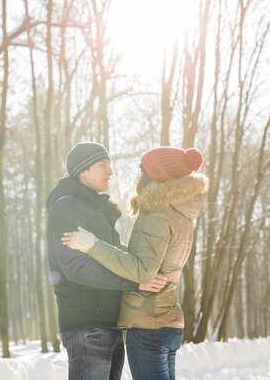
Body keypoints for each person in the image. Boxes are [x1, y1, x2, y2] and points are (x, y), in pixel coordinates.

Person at [62, 146, 209, 380]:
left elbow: (143, 270)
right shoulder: (181, 212)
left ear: (157, 174)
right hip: (168, 321)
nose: (138, 177)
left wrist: (93, 245)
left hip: (148, 322)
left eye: (142, 171)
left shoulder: (158, 213)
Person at [46, 142, 168, 380]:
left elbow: (113, 256)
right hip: (87, 325)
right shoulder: (66, 208)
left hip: (110, 322)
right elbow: (76, 267)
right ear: (83, 171)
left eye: (110, 165)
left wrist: (143, 268)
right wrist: (134, 283)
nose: (110, 172)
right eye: (103, 165)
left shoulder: (97, 209)